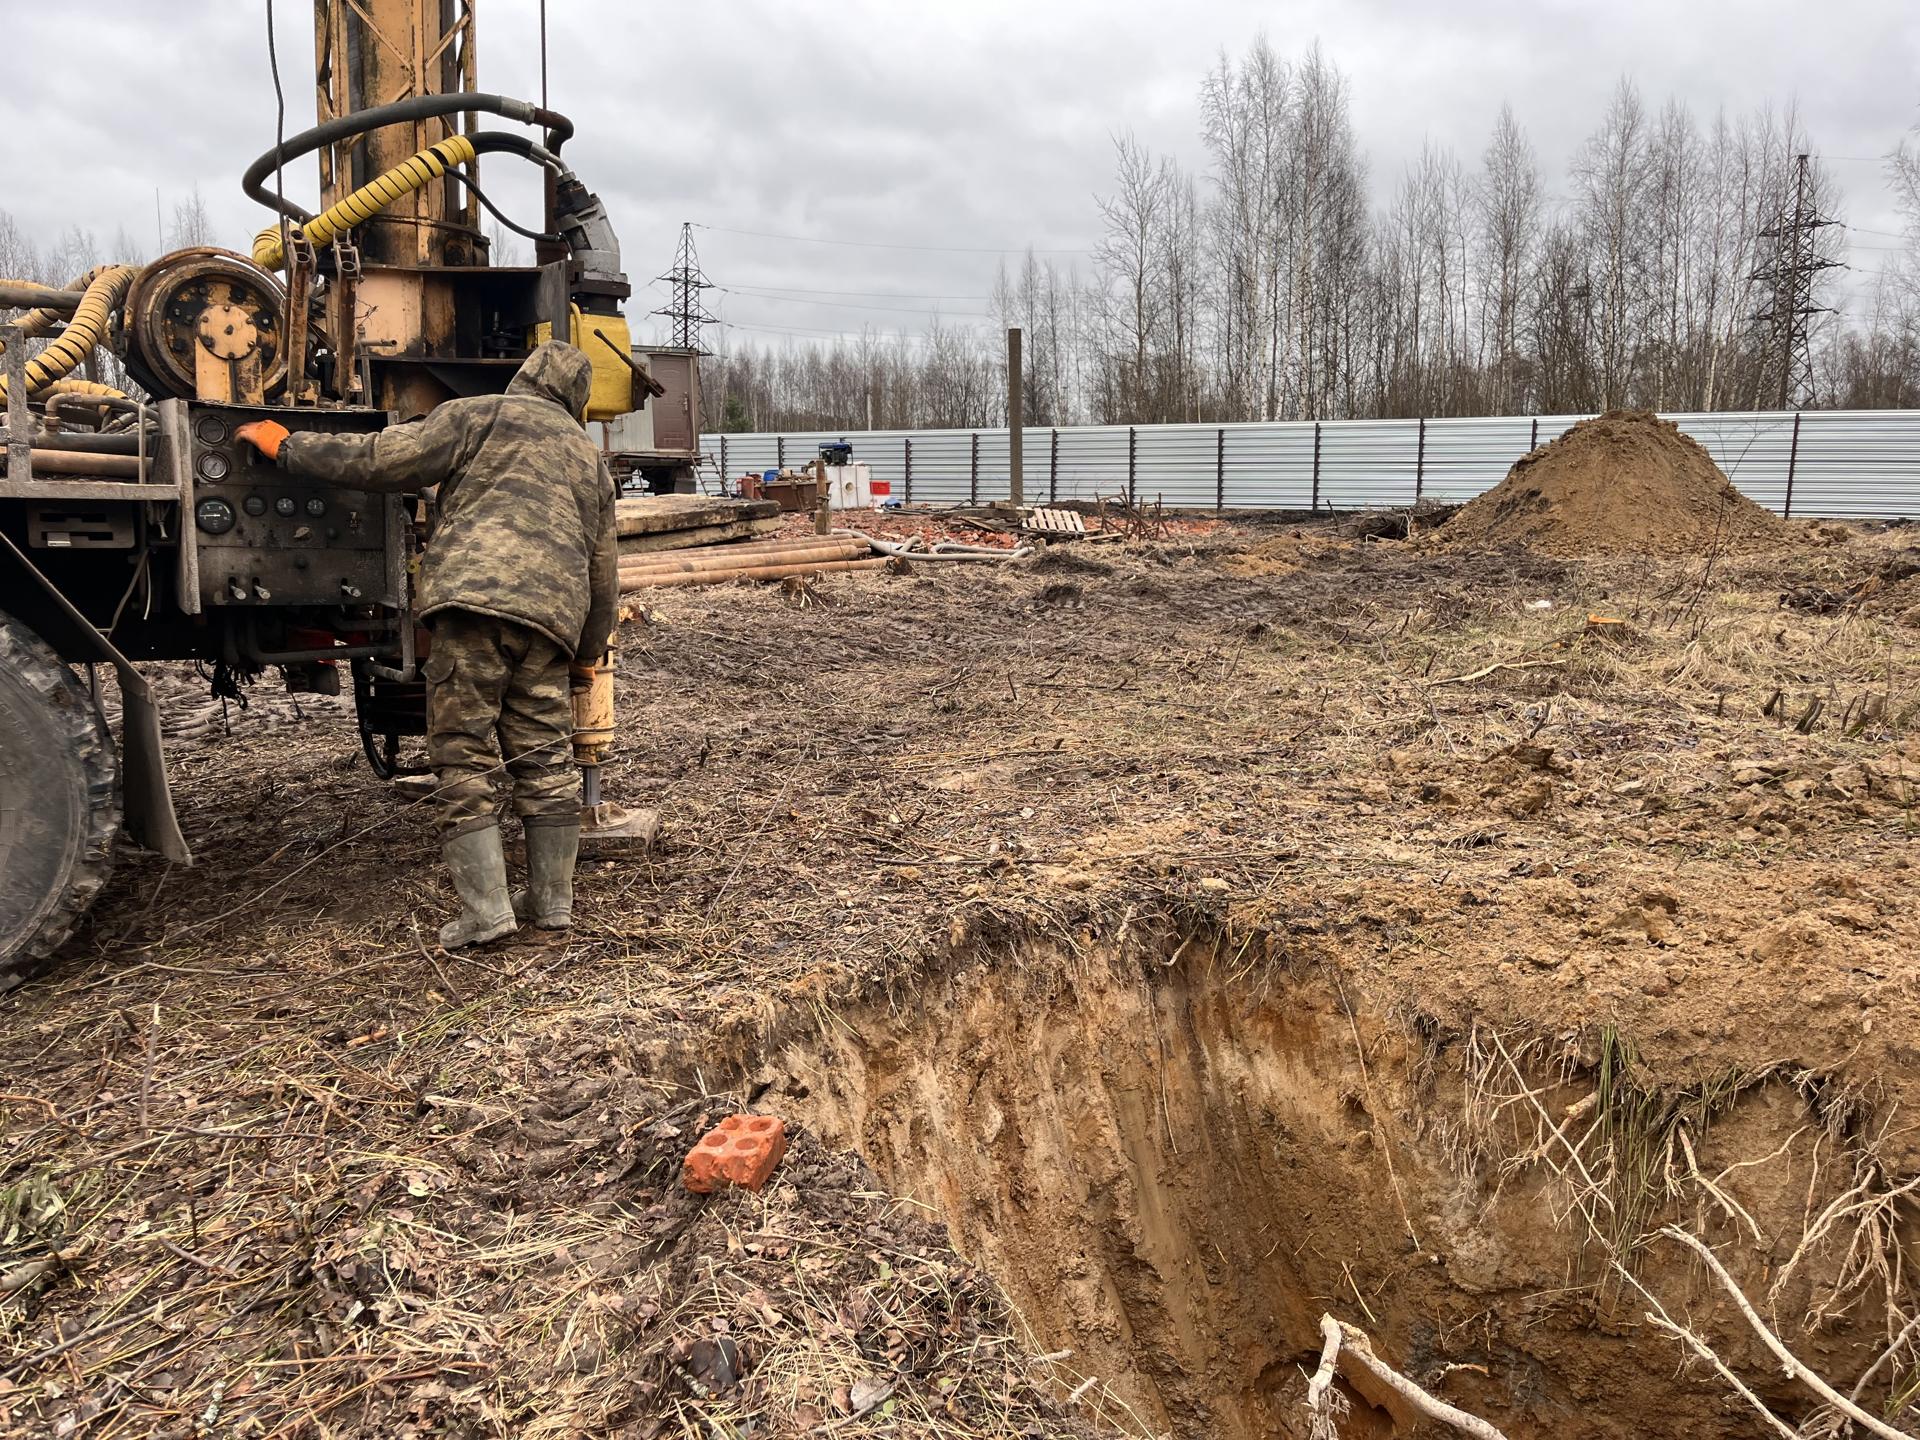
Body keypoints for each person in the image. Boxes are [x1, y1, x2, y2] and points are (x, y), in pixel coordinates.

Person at [233, 341, 619, 948]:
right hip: (550, 624)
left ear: (524, 377)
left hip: (473, 606)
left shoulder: (478, 413)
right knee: (544, 761)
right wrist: (587, 655)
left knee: (463, 751)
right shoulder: (587, 457)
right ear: (576, 397)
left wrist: (288, 445)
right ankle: (552, 908)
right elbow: (602, 569)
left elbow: (384, 460)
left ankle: (488, 912)